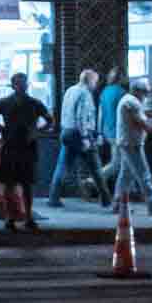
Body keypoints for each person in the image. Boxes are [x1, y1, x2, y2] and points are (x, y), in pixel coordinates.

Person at [0, 71, 53, 231]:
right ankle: (11, 217)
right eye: (18, 83)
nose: (22, 86)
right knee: (10, 184)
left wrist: (37, 132)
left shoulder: (34, 103)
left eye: (23, 82)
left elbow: (50, 120)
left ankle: (28, 216)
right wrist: (0, 126)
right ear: (13, 85)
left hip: (26, 146)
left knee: (27, 183)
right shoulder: (5, 102)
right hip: (11, 145)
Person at [47, 67, 111, 208]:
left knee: (62, 167)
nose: (96, 85)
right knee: (95, 168)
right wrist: (85, 138)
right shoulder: (85, 93)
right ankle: (106, 199)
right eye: (95, 81)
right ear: (90, 81)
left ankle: (53, 198)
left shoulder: (70, 90)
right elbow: (82, 116)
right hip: (80, 133)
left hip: (66, 131)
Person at [111, 76, 152, 215]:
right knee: (144, 173)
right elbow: (145, 124)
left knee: (125, 176)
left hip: (127, 142)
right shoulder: (132, 103)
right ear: (138, 91)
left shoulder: (127, 100)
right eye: (146, 92)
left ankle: (118, 203)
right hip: (132, 143)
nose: (147, 95)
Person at [98, 66, 125, 169]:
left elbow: (100, 114)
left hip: (107, 131)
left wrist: (99, 132)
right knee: (116, 163)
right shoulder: (122, 93)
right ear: (121, 77)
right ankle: (92, 180)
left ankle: (121, 185)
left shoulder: (104, 92)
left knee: (122, 163)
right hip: (118, 132)